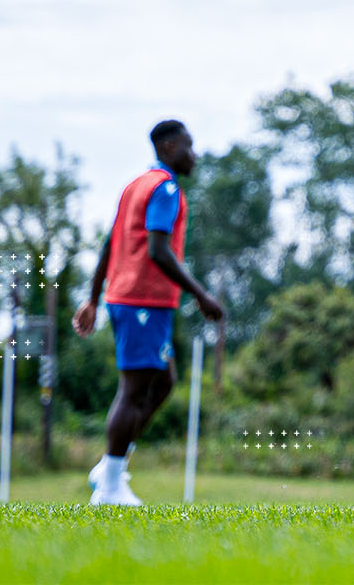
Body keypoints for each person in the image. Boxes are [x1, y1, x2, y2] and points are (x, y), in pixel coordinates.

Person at [72, 119, 226, 505]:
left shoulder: (135, 186)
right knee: (133, 390)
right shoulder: (165, 188)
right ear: (170, 148)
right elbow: (159, 251)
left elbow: (111, 243)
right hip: (141, 300)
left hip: (137, 300)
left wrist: (93, 298)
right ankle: (108, 486)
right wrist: (201, 295)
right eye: (189, 146)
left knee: (163, 382)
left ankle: (112, 466)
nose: (194, 154)